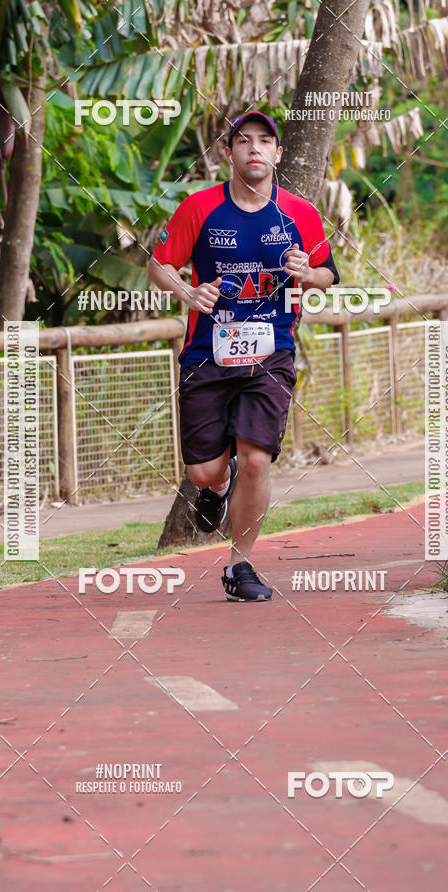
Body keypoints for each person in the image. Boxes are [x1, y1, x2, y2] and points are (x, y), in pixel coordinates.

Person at [148, 111, 339, 602]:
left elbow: (329, 274)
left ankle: (241, 565)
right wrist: (189, 293)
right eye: (243, 141)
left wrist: (307, 272)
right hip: (206, 353)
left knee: (256, 460)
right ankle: (215, 489)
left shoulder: (299, 213)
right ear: (227, 153)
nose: (254, 149)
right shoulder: (199, 208)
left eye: (264, 141)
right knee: (203, 472)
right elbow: (159, 265)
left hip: (271, 352)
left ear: (277, 154)